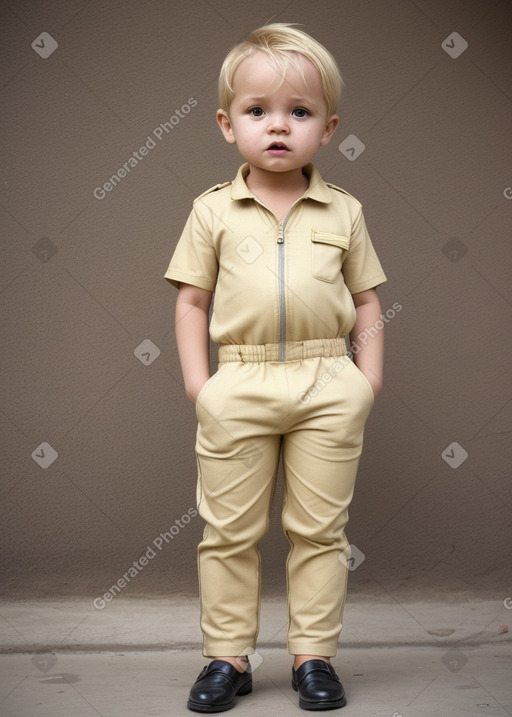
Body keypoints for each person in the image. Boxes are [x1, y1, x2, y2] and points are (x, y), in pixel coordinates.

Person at [165, 23, 387, 712]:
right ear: (229, 125)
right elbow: (192, 301)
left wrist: (366, 380)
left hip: (328, 383)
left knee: (321, 530)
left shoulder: (344, 211)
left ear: (329, 126)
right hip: (241, 381)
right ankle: (226, 658)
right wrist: (202, 386)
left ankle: (313, 657)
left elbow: (368, 299)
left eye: (300, 112)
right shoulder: (212, 210)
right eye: (259, 112)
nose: (279, 127)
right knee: (228, 530)